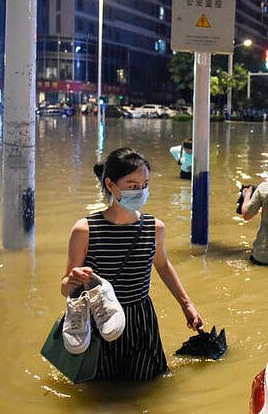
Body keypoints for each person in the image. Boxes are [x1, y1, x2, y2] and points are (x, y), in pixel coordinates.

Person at [61, 147, 203, 380]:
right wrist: (73, 280)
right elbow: (65, 289)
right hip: (101, 321)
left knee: (145, 386)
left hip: (141, 321)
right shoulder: (85, 230)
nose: (140, 191)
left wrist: (186, 305)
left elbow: (163, 265)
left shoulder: (154, 228)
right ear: (110, 185)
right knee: (101, 391)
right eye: (132, 185)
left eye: (145, 185)